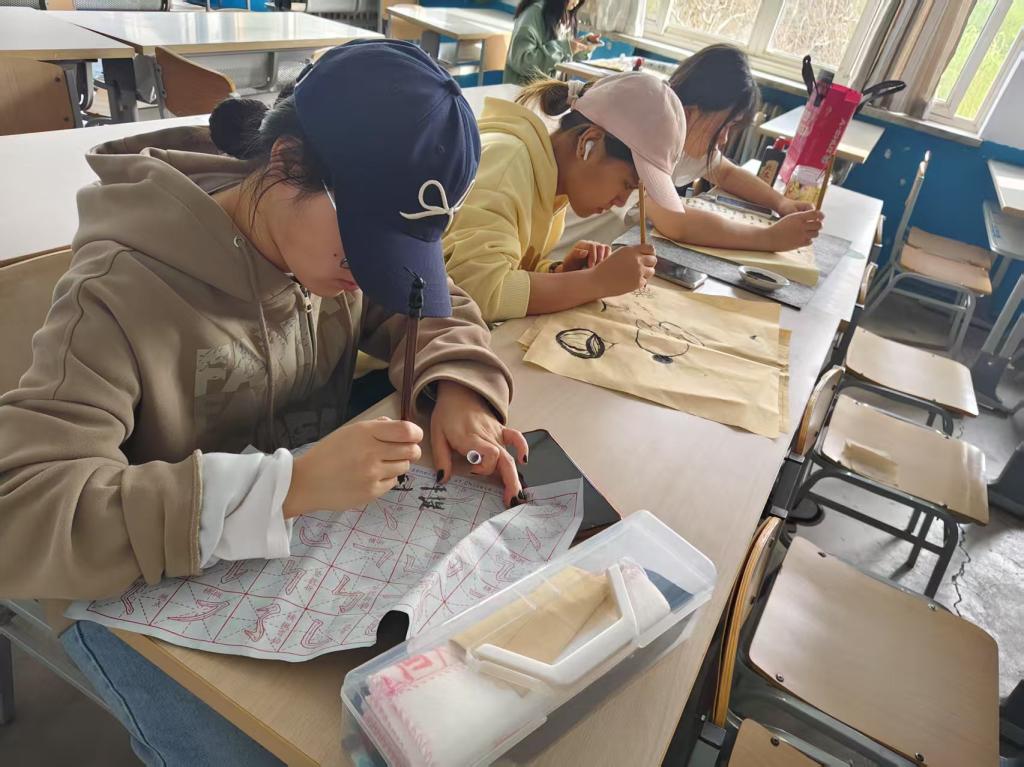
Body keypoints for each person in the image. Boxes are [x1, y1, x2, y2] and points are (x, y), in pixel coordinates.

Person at [0, 40, 526, 766]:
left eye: (400, 252)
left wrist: (460, 388)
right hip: (130, 582)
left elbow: (439, 307)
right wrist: (285, 487)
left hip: (287, 553)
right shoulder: (119, 290)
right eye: (365, 244)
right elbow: (22, 510)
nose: (372, 273)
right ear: (286, 163)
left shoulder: (324, 247)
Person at [443, 72, 686, 322]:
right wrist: (595, 282)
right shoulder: (507, 166)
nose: (621, 202)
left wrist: (559, 273)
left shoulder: (550, 180)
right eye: (626, 184)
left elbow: (506, 267)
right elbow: (475, 292)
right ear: (588, 142)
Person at [555, 44, 823, 258]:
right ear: (690, 113)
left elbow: (726, 173)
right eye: (725, 126)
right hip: (556, 260)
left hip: (577, 262)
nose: (723, 140)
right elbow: (677, 223)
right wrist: (769, 238)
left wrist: (781, 203)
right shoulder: (643, 144)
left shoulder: (681, 140)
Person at [504, 0, 601, 86]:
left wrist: (581, 47)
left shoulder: (565, 15)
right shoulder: (533, 14)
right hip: (524, 93)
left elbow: (561, 61)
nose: (577, 2)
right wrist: (565, 48)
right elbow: (522, 63)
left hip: (548, 92)